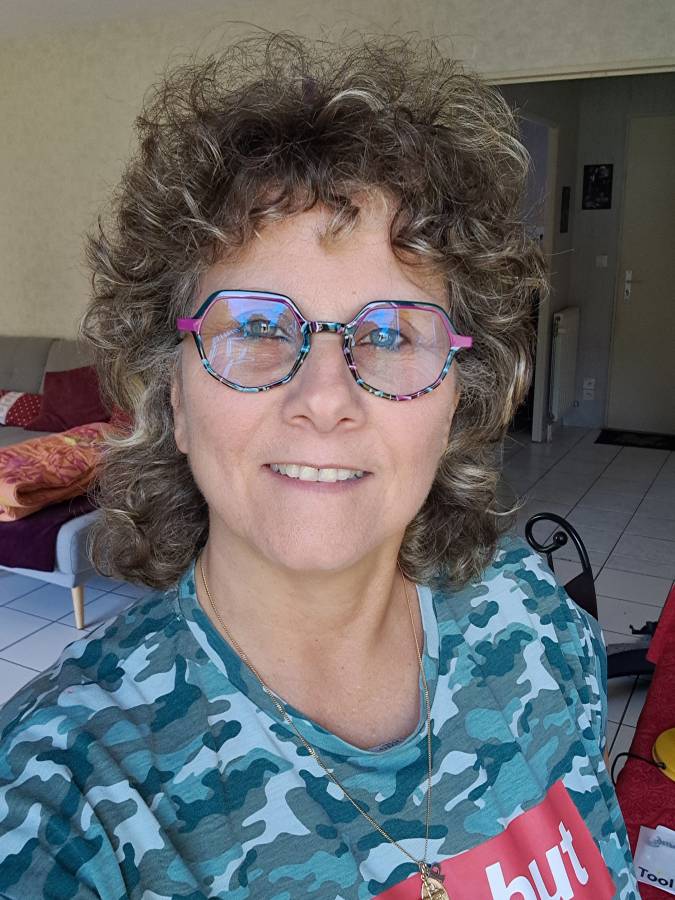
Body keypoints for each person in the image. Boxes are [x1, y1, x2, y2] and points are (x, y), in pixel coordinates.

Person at [0, 33, 638, 900]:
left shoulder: (531, 620)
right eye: (258, 327)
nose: (325, 397)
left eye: (391, 334)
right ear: (174, 396)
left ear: (457, 399)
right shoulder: (61, 795)